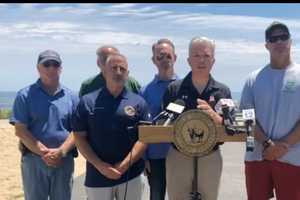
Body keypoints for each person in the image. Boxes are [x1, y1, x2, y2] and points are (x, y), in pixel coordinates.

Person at [73, 53, 151, 200]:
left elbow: (144, 138)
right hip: (97, 176)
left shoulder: (139, 103)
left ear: (127, 74)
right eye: (113, 68)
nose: (118, 72)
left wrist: (124, 165)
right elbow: (79, 137)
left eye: (122, 69)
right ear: (104, 72)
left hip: (131, 175)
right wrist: (100, 166)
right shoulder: (87, 102)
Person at [162, 37, 232, 200]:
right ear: (188, 60)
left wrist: (216, 117)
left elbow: (232, 128)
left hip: (210, 156)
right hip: (178, 156)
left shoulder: (222, 91)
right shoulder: (174, 89)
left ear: (213, 61)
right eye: (196, 55)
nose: (201, 60)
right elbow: (162, 125)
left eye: (206, 56)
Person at [240, 21, 300, 200]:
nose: (279, 42)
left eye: (283, 37)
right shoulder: (253, 79)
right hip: (257, 157)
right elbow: (246, 117)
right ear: (267, 45)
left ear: (290, 41)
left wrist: (284, 146)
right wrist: (267, 144)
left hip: (293, 157)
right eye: (274, 39)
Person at [9, 50, 79, 200]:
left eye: (55, 64)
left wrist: (60, 152)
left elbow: (77, 131)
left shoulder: (72, 97)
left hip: (63, 160)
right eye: (46, 64)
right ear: (38, 68)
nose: (51, 68)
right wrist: (44, 152)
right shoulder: (24, 95)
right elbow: (20, 130)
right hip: (34, 160)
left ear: (61, 68)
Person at [141, 38, 178, 200]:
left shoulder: (186, 87)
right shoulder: (145, 91)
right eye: (160, 57)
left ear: (175, 58)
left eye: (168, 56)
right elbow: (141, 127)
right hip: (155, 157)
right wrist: (143, 158)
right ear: (153, 60)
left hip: (181, 155)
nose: (164, 60)